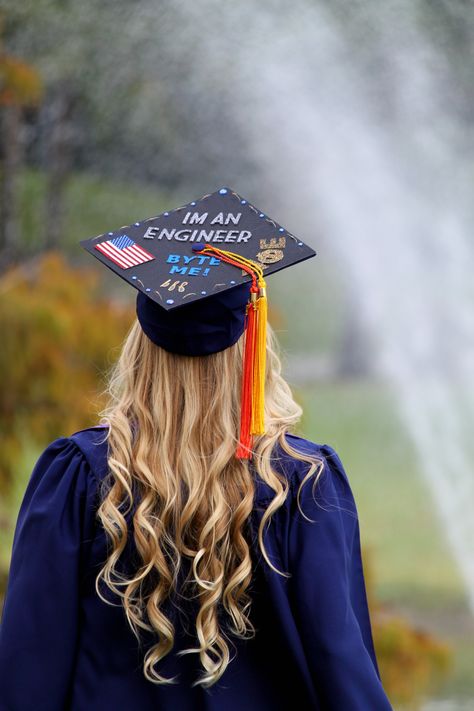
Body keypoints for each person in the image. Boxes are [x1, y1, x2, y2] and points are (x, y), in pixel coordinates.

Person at [0, 187, 394, 710]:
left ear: (138, 349)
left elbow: (29, 672)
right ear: (250, 347)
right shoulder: (302, 486)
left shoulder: (77, 478)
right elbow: (341, 669)